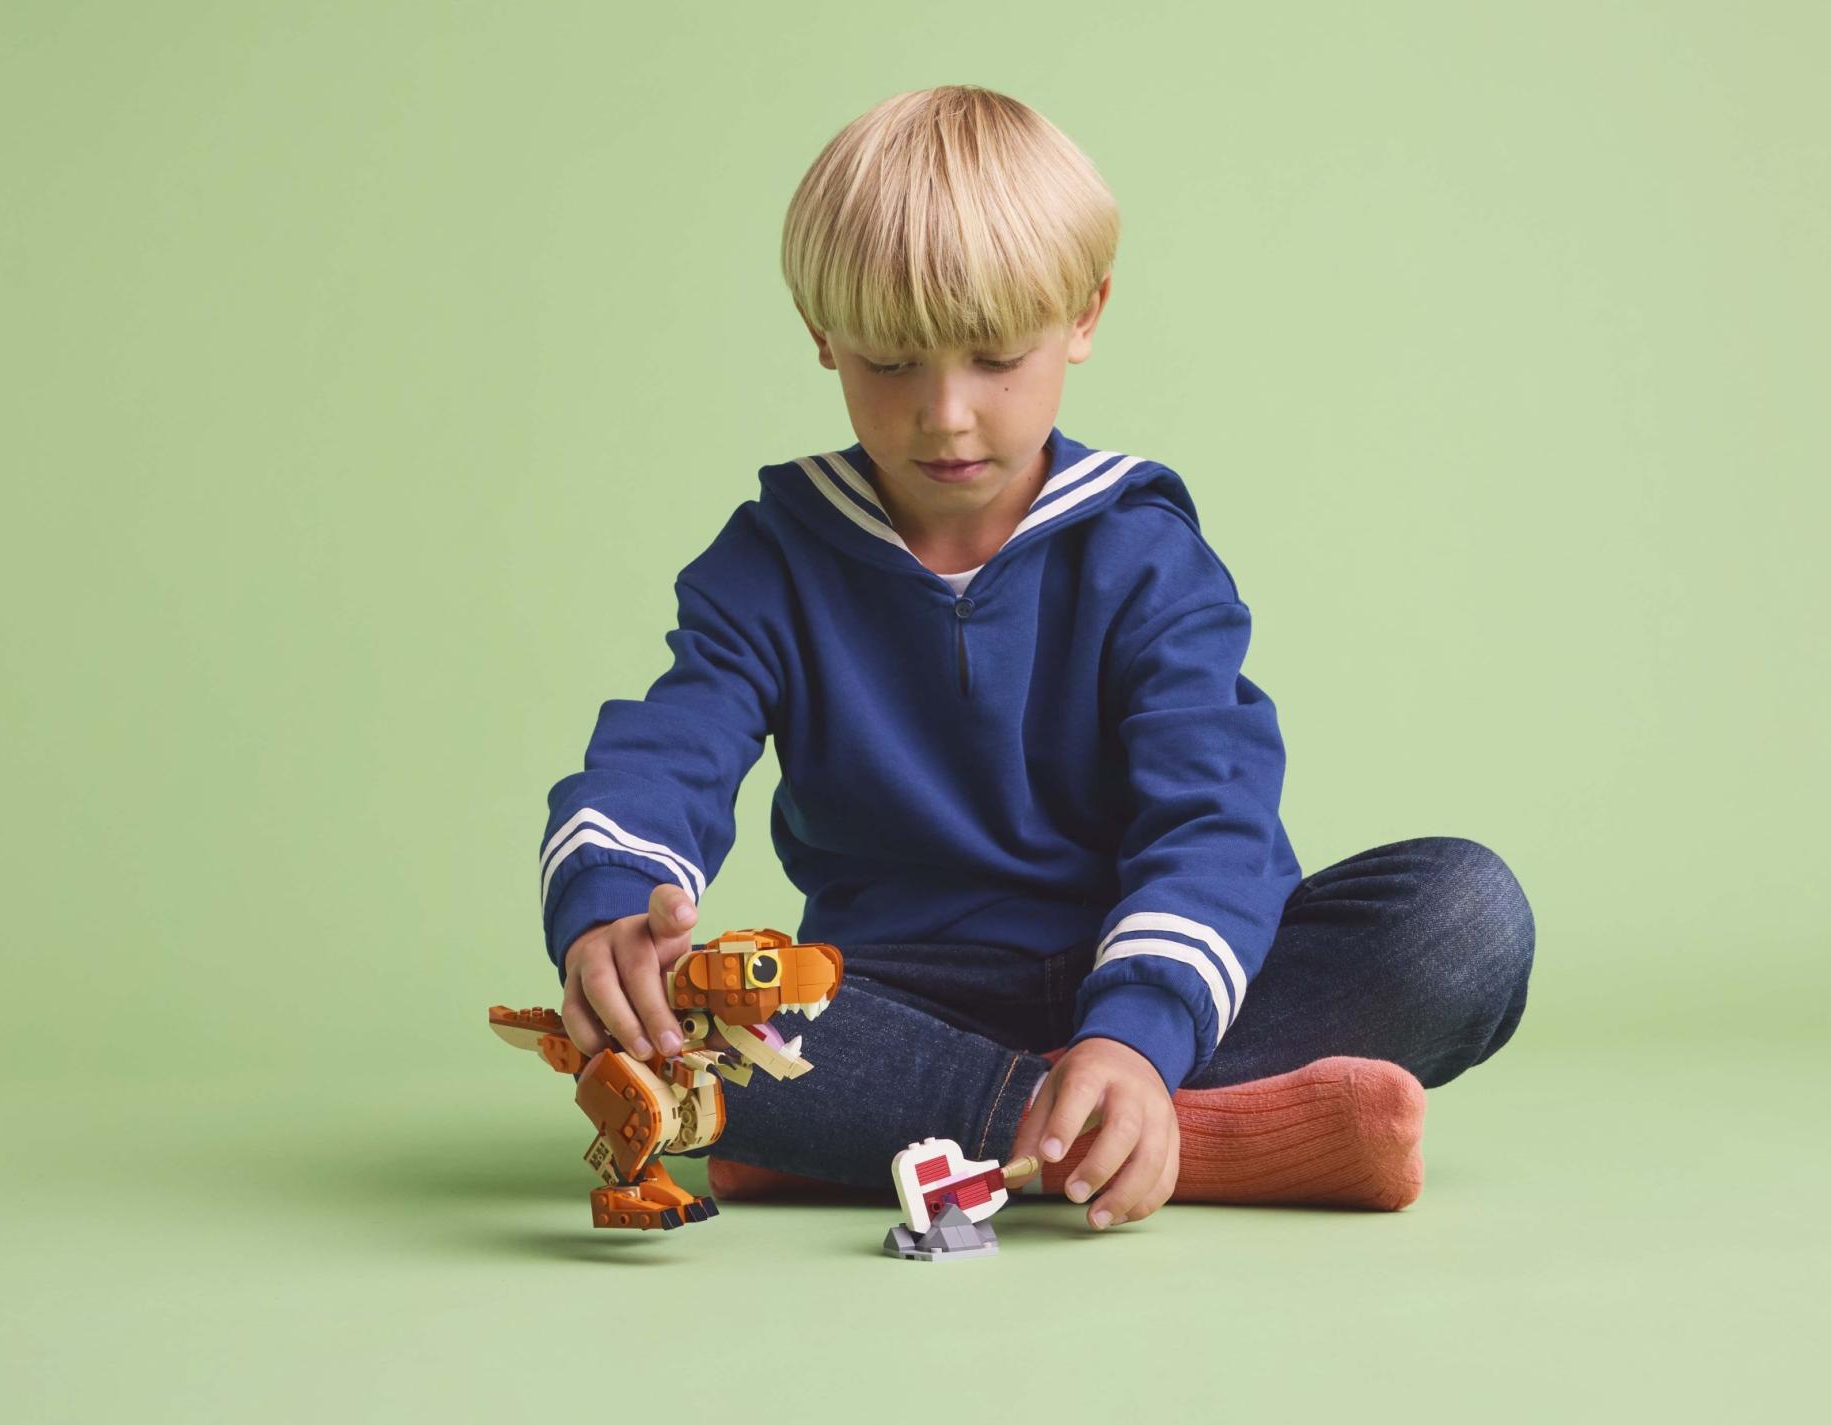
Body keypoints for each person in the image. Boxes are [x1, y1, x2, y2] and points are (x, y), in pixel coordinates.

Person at [536, 85, 1535, 1231]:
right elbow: (670, 748)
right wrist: (611, 912)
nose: (946, 415)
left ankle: (928, 1133)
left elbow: (1214, 821)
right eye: (891, 364)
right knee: (669, 1015)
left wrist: (1135, 1034)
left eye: (995, 357)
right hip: (896, 990)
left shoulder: (1144, 556)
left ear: (1083, 315)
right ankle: (1182, 1137)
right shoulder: (771, 561)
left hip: (1143, 963)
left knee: (1462, 918)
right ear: (821, 334)